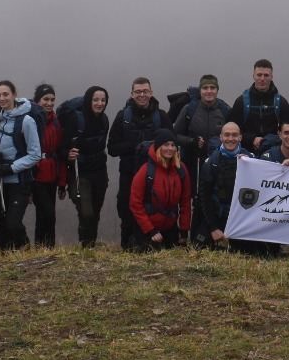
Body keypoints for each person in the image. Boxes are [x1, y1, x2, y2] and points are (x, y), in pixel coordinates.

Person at [108, 77, 169, 250]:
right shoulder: (123, 117)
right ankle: (127, 247)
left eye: (145, 91)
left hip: (156, 174)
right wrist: (134, 145)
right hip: (129, 173)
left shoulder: (161, 116)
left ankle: (153, 245)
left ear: (151, 93)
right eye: (138, 92)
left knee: (154, 209)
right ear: (132, 94)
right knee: (126, 209)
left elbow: (171, 145)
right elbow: (111, 148)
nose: (142, 95)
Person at [199, 121, 276, 257]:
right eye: (227, 135)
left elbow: (271, 179)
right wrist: (214, 228)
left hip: (242, 219)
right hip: (219, 216)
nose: (230, 139)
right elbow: (204, 198)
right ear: (221, 137)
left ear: (240, 137)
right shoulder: (211, 163)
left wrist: (287, 167)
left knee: (255, 252)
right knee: (201, 245)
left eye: (234, 135)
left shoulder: (251, 160)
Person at [0, 80, 41, 252]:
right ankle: (6, 259)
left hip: (19, 181)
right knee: (2, 223)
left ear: (14, 94)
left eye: (5, 94)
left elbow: (35, 154)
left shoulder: (26, 120)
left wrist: (11, 167)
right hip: (0, 181)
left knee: (13, 222)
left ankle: (24, 249)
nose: (1, 98)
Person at [60, 86, 110, 248]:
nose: (100, 103)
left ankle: (90, 245)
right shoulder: (76, 120)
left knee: (95, 210)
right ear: (88, 101)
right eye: (95, 100)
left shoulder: (104, 120)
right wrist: (67, 153)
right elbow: (61, 146)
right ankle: (85, 242)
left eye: (103, 100)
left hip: (100, 172)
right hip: (79, 173)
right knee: (86, 211)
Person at [129, 130, 192, 250]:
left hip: (170, 228)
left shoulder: (181, 169)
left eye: (173, 145)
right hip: (147, 228)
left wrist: (184, 232)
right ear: (158, 147)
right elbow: (135, 203)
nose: (170, 148)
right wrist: (150, 230)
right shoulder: (146, 170)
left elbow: (185, 202)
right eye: (166, 144)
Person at [27, 84, 66, 249]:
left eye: (52, 99)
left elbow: (60, 152)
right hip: (36, 174)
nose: (49, 103)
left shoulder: (56, 122)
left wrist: (62, 183)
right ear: (37, 101)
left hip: (53, 174)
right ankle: (44, 247)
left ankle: (45, 248)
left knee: (47, 214)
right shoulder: (30, 121)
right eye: (46, 99)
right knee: (47, 213)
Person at [227, 60, 289, 154]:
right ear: (253, 76)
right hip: (246, 154)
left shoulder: (281, 103)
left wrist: (268, 141)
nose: (262, 78)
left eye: (266, 75)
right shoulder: (241, 102)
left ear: (271, 77)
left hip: (273, 154)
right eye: (259, 75)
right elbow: (232, 131)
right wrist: (252, 139)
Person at [174, 76, 231, 164]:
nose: (209, 91)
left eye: (212, 88)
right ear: (200, 91)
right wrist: (192, 141)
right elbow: (175, 135)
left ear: (217, 90)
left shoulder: (225, 110)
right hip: (193, 162)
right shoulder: (189, 109)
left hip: (219, 162)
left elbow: (235, 135)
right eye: (205, 88)